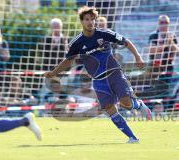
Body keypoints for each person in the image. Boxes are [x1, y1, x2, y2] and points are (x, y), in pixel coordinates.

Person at [44, 6, 152, 143]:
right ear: (82, 22)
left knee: (126, 102)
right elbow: (68, 60)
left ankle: (138, 105)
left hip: (114, 73)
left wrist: (138, 57)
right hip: (98, 80)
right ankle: (132, 137)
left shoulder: (104, 33)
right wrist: (54, 73)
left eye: (92, 19)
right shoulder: (76, 42)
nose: (90, 22)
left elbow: (125, 41)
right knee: (109, 108)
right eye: (87, 19)